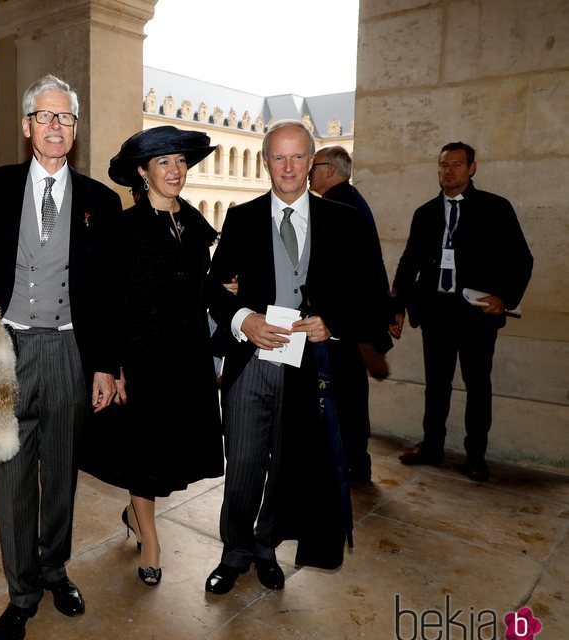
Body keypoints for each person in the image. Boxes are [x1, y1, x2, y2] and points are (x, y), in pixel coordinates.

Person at [0, 75, 121, 640]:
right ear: (27, 125)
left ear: (75, 131)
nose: (55, 126)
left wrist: (106, 365)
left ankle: (55, 571)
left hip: (69, 349)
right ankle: (21, 595)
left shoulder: (101, 203)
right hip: (7, 349)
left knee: (60, 473)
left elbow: (108, 294)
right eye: (45, 116)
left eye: (65, 118)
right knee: (11, 480)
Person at [206, 120, 380, 595]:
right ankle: (234, 551)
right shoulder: (240, 218)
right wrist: (244, 319)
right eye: (278, 158)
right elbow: (214, 289)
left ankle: (265, 548)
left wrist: (334, 324)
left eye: (297, 157)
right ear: (265, 163)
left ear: (311, 163)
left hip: (311, 369)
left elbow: (371, 297)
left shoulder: (342, 222)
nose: (287, 167)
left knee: (288, 465)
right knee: (242, 464)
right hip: (253, 363)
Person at [81, 126, 223, 587]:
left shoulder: (194, 223)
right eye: (163, 162)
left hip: (187, 359)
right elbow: (104, 301)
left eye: (180, 160)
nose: (175, 170)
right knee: (144, 454)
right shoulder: (123, 228)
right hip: (142, 360)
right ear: (143, 172)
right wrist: (113, 364)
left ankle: (134, 515)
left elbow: (200, 287)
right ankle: (152, 542)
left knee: (170, 452)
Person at [391, 142, 533, 482]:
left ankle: (476, 456)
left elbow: (521, 259)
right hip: (435, 312)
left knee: (478, 385)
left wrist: (505, 298)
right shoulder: (425, 213)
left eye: (456, 164)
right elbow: (408, 262)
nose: (448, 171)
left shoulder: (495, 209)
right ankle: (432, 446)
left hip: (476, 315)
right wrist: (395, 306)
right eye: (443, 165)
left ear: (472, 168)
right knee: (436, 385)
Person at [309, 145, 393, 483]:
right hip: (351, 322)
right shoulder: (352, 199)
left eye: (312, 165)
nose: (308, 172)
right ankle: (355, 463)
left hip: (340, 324)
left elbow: (339, 273)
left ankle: (348, 465)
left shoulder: (336, 205)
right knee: (350, 395)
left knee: (342, 397)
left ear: (329, 169)